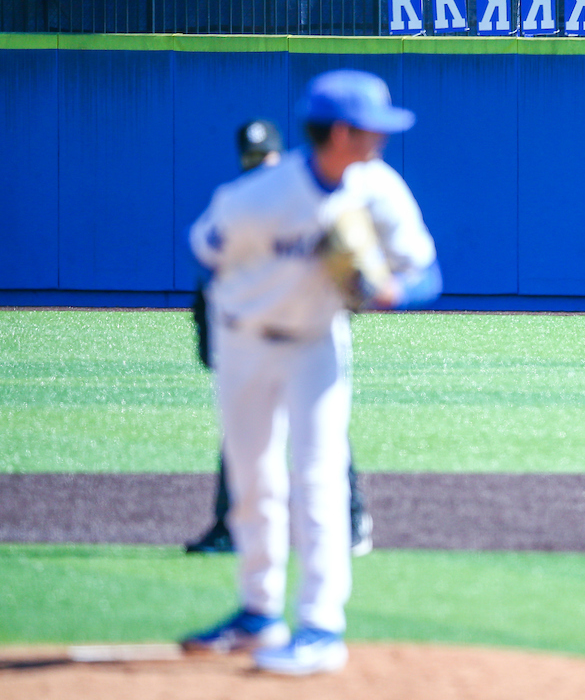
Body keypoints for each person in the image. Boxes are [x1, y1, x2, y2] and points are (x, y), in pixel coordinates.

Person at [182, 71, 441, 675]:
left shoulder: (379, 189)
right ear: (342, 132)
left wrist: (391, 291)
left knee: (318, 476)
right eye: (373, 127)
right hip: (244, 339)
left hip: (318, 343)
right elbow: (208, 251)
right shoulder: (257, 199)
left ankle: (322, 625)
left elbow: (428, 271)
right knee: (253, 479)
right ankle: (257, 614)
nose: (383, 138)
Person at [185, 119, 374, 558]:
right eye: (252, 159)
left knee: (323, 437)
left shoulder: (309, 201)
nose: (260, 165)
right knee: (243, 440)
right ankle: (229, 531)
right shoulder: (242, 206)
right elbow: (209, 274)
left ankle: (352, 520)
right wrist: (210, 341)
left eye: (266, 157)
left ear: (279, 154)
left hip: (311, 339)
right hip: (253, 341)